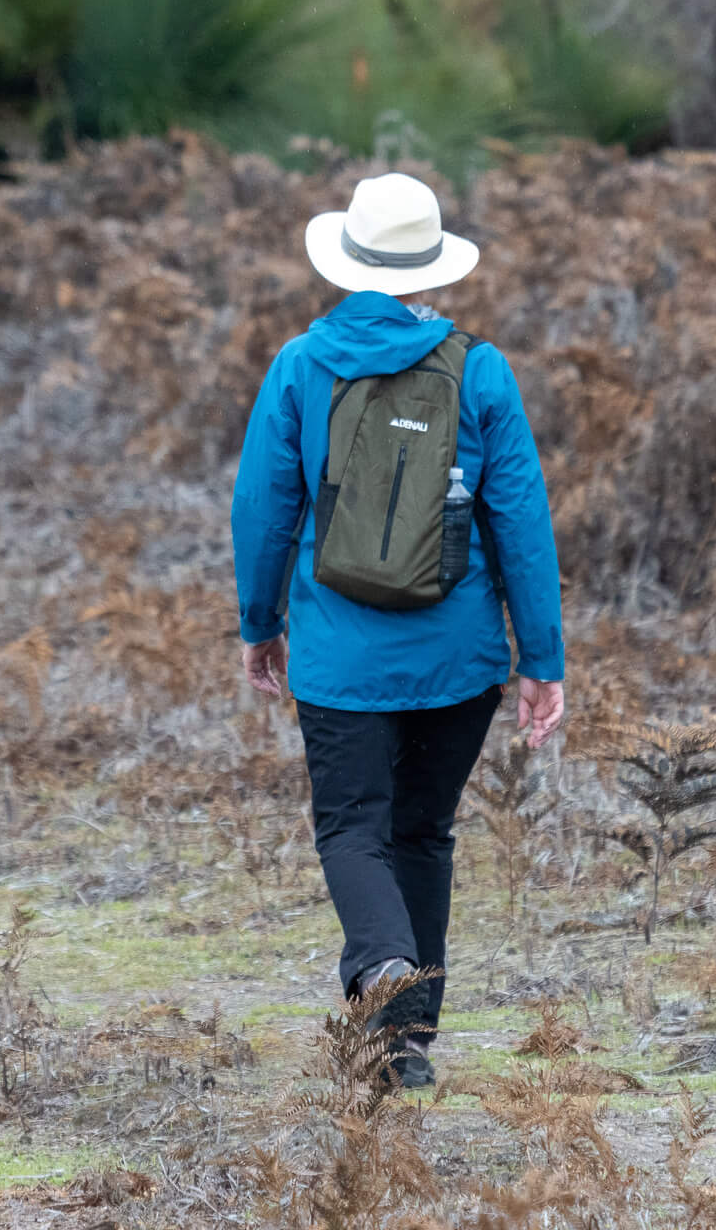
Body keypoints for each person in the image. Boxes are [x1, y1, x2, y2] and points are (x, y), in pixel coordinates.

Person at [229, 174, 565, 1087]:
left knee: (352, 829)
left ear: (346, 260)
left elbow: (262, 509)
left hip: (339, 658)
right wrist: (541, 658)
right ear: (430, 271)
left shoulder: (301, 365)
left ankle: (380, 974)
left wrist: (259, 624)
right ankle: (407, 1038)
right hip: (460, 660)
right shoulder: (478, 369)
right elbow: (521, 525)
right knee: (423, 832)